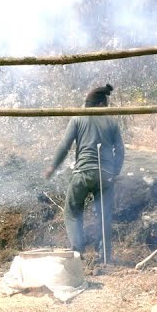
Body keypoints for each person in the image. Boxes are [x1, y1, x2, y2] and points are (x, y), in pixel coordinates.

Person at [43, 84, 124, 262]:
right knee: (104, 215)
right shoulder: (111, 122)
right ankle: (104, 257)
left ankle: (77, 254)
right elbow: (120, 150)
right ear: (102, 105)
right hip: (105, 174)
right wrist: (115, 171)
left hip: (82, 172)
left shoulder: (77, 119)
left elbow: (65, 146)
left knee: (72, 211)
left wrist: (52, 167)